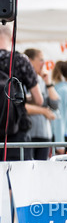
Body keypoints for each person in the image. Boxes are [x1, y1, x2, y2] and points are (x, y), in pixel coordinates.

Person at [0, 25, 40, 157]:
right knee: (19, 175)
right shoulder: (20, 60)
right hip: (17, 130)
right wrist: (19, 98)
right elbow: (38, 99)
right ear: (12, 38)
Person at [23, 48, 59, 159]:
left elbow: (54, 104)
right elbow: (20, 106)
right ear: (29, 60)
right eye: (41, 60)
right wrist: (43, 111)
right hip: (28, 134)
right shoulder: (21, 79)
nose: (43, 64)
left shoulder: (41, 80)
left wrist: (48, 82)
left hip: (44, 134)